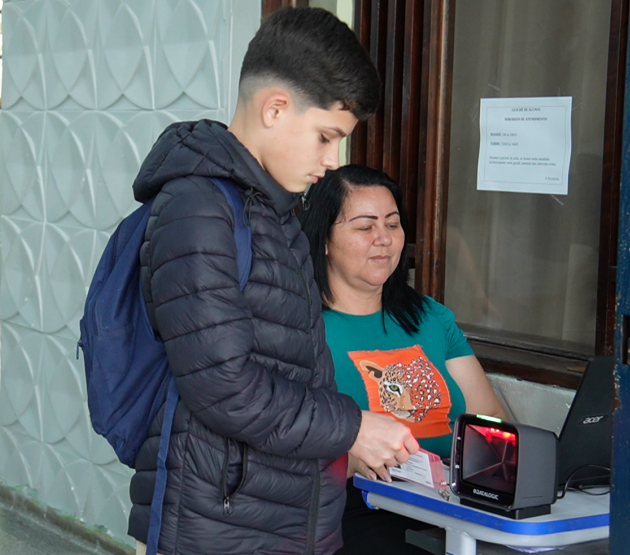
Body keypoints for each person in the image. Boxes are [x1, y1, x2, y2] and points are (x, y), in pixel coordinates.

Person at [128, 8, 419, 555]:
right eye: (326, 138)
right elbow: (225, 387)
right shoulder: (199, 209)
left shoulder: (271, 209)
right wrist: (352, 426)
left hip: (277, 517)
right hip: (219, 525)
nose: (332, 162)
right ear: (275, 108)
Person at [299, 164, 506, 554]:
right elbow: (279, 427)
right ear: (324, 238)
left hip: (452, 502)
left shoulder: (429, 317)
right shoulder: (298, 326)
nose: (384, 240)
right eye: (365, 227)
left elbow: (490, 423)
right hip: (355, 508)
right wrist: (346, 455)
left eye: (392, 225)